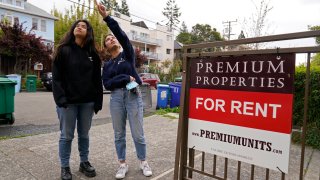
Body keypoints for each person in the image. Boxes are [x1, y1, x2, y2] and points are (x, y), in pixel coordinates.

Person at [95, 1, 153, 179]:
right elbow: (107, 84)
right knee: (119, 133)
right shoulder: (108, 64)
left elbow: (121, 35)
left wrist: (106, 17)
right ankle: (122, 164)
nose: (111, 39)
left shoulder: (127, 55)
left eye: (113, 38)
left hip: (132, 95)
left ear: (118, 43)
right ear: (106, 47)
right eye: (107, 39)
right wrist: (124, 78)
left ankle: (143, 161)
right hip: (116, 99)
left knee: (138, 133)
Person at [52, 19, 103, 180]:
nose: (79, 27)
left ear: (88, 32)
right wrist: (61, 100)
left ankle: (84, 162)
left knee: (84, 135)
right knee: (66, 136)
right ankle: (65, 166)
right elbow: (57, 78)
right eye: (77, 25)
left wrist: (98, 101)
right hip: (68, 103)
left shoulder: (92, 54)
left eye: (84, 26)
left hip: (87, 103)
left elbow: (96, 80)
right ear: (73, 30)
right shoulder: (63, 50)